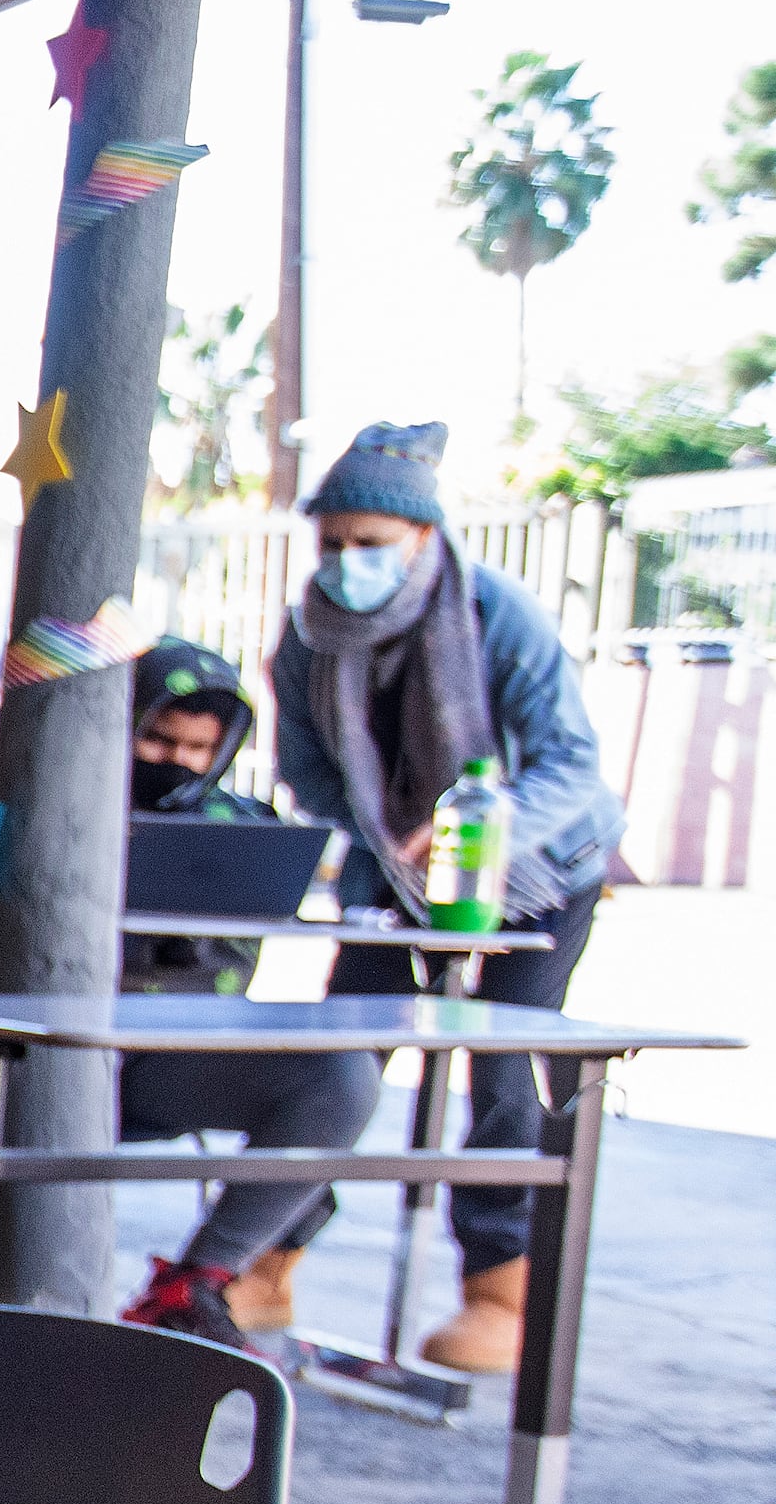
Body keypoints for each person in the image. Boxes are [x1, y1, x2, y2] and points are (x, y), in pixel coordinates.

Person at [264, 421, 624, 1376]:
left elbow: (575, 764)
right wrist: (395, 835)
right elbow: (308, 771)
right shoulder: (309, 636)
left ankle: (499, 1290)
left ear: (422, 538)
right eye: (333, 543)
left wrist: (479, 830)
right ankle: (262, 1257)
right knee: (333, 1057)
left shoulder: (498, 614)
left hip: (539, 872)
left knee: (505, 1071)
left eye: (370, 545)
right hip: (400, 869)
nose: (348, 564)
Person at [109, 646, 380, 1350]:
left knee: (341, 1074)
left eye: (200, 748)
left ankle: (194, 1285)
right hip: (49, 1056)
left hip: (181, 1056)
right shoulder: (49, 800)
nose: (179, 760)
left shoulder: (247, 824)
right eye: (157, 738)